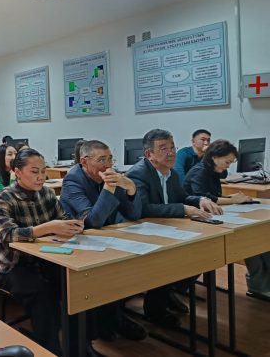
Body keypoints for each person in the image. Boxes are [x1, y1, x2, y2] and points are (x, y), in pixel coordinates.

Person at [0, 148, 87, 356]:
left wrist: (73, 224)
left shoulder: (47, 193)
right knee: (42, 295)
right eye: (34, 171)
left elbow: (63, 218)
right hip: (9, 264)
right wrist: (47, 228)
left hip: (43, 258)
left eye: (43, 171)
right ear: (17, 172)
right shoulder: (4, 197)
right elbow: (8, 235)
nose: (41, 176)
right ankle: (50, 350)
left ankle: (80, 347)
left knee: (75, 287)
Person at [126, 129, 222, 327]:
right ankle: (155, 309)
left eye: (172, 147)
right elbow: (144, 209)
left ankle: (169, 291)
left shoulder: (172, 173)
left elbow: (182, 197)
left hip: (166, 228)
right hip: (140, 232)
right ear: (149, 154)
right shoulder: (137, 174)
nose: (171, 153)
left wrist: (200, 200)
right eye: (163, 149)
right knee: (167, 261)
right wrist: (183, 209)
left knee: (200, 254)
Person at [59, 140, 145, 341]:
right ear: (84, 161)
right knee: (103, 274)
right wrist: (109, 187)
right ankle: (102, 323)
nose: (108, 165)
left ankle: (115, 318)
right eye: (101, 160)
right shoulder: (72, 181)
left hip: (107, 239)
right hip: (78, 244)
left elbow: (134, 214)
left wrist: (131, 188)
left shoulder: (110, 175)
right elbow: (93, 221)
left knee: (127, 267)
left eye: (110, 159)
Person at [184, 140, 270, 300]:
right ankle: (259, 285)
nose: (228, 166)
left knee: (260, 237)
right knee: (250, 240)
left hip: (213, 216)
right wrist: (232, 200)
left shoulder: (213, 171)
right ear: (214, 157)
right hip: (198, 221)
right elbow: (203, 198)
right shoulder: (200, 171)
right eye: (227, 162)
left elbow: (214, 196)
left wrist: (232, 198)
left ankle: (262, 284)